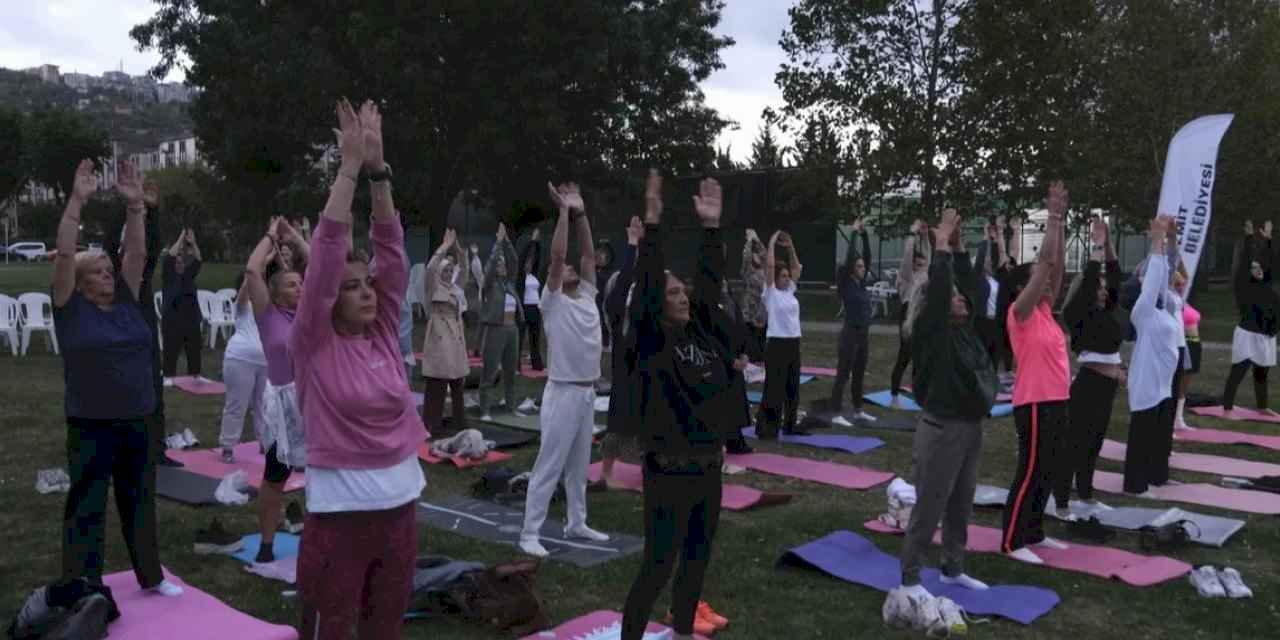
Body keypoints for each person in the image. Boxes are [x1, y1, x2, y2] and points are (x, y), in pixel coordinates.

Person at [294, 99, 425, 639]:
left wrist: (379, 172)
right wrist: (348, 168)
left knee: (385, 628)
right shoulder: (313, 341)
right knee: (335, 626)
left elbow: (392, 254)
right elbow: (325, 253)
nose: (367, 292)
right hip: (340, 514)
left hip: (400, 508)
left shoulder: (382, 334)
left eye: (367, 283)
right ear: (327, 299)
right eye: (351, 287)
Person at [52, 158, 181, 597]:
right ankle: (82, 582)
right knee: (87, 504)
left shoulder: (127, 301)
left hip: (137, 419)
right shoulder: (70, 309)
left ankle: (152, 576)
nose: (108, 276)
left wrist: (134, 207)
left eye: (110, 271)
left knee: (138, 500)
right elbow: (66, 252)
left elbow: (138, 253)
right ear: (82, 281)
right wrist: (77, 201)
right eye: (99, 273)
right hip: (90, 423)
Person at [620, 171, 736, 640]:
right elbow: (648, 285)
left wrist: (711, 230)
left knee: (696, 561)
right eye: (672, 293)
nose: (681, 295)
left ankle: (684, 633)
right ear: (656, 304)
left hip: (707, 468)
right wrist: (652, 224)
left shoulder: (702, 333)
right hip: (668, 471)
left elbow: (708, 286)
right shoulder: (652, 342)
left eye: (681, 290)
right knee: (659, 564)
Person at [884, 209, 997, 628]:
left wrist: (961, 246)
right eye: (952, 297)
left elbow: (967, 285)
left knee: (961, 502)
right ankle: (910, 576)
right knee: (929, 505)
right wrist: (942, 248)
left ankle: (953, 566)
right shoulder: (933, 332)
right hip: (941, 427)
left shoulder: (964, 328)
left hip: (969, 427)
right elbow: (943, 287)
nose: (960, 300)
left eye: (961, 299)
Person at [519, 181, 609, 557]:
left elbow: (587, 255)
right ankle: (529, 533)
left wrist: (581, 213)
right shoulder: (551, 300)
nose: (572, 267)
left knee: (579, 465)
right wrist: (561, 214)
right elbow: (558, 257)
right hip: (562, 391)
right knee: (550, 463)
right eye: (566, 268)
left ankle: (576, 521)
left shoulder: (587, 294)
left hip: (587, 391)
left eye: (575, 268)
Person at [1000, 181, 1070, 565]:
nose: (1046, 286)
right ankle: (1012, 541)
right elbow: (1046, 268)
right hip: (1033, 403)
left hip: (1057, 399)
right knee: (1029, 471)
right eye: (1037, 282)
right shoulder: (1020, 313)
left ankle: (1035, 531)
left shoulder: (1045, 312)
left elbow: (1052, 269)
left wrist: (1058, 220)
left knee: (1048, 468)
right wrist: (1052, 218)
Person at [242, 217, 309, 562]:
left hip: (316, 402)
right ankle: (267, 545)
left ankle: (320, 541)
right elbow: (253, 271)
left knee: (322, 477)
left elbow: (320, 266)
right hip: (285, 406)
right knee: (275, 477)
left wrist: (295, 238)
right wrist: (270, 235)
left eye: (302, 283)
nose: (300, 288)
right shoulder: (268, 315)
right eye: (292, 285)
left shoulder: (310, 315)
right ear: (277, 291)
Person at [1054, 216, 1124, 514]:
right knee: (1074, 445)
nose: (1104, 290)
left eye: (1105, 288)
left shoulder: (1105, 310)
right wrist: (1095, 246)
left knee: (1094, 443)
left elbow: (1115, 274)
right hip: (1088, 386)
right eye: (1099, 287)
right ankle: (1060, 502)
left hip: (1107, 388)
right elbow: (1093, 275)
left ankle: (1085, 494)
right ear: (1087, 289)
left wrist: (1108, 244)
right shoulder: (1079, 312)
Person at [1123, 216, 1182, 496]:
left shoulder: (1163, 308)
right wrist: (1156, 242)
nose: (1157, 284)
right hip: (1147, 382)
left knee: (1159, 436)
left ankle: (1158, 476)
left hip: (1163, 383)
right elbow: (1156, 276)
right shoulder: (1143, 312)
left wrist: (1171, 238)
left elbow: (1165, 273)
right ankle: (1135, 484)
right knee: (1142, 435)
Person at [600, 216, 649, 487]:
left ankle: (646, 469)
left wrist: (641, 245)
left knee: (647, 420)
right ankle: (607, 470)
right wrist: (631, 244)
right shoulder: (616, 310)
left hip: (644, 365)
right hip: (623, 367)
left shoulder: (641, 306)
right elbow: (625, 282)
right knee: (618, 420)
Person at [1222, 220, 1278, 418]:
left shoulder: (1268, 286)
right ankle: (1227, 407)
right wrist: (1248, 238)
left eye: (1259, 268)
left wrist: (1268, 240)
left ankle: (1262, 407)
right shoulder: (1244, 288)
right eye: (1254, 268)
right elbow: (1246, 262)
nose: (1258, 269)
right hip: (1248, 333)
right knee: (1239, 370)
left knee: (1262, 373)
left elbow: (1269, 261)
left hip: (1266, 335)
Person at [420, 228, 470, 437]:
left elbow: (465, 269)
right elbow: (431, 267)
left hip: (456, 337)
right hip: (439, 338)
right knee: (437, 382)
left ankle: (459, 422)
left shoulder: (456, 290)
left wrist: (457, 248)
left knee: (458, 382)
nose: (448, 274)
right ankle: (432, 424)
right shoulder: (432, 288)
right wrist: (444, 246)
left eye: (450, 271)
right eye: (445, 271)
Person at [757, 229, 807, 438]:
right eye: (783, 276)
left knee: (792, 387)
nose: (787, 278)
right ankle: (768, 428)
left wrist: (791, 246)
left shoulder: (790, 292)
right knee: (774, 389)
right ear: (775, 279)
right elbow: (769, 267)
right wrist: (771, 243)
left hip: (793, 343)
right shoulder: (770, 293)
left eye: (788, 276)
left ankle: (789, 425)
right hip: (776, 344)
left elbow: (796, 267)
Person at [217, 270, 268, 464]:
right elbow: (244, 294)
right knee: (237, 404)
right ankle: (228, 446)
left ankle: (265, 442)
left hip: (266, 362)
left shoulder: (270, 307)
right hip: (239, 359)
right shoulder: (243, 305)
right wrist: (253, 273)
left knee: (264, 405)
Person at [830, 218, 877, 426]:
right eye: (858, 266)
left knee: (859, 372)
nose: (862, 268)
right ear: (851, 269)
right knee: (843, 373)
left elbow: (867, 256)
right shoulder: (846, 284)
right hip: (849, 333)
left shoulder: (860, 284)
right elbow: (852, 258)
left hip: (863, 334)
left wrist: (865, 235)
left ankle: (858, 410)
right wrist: (854, 234)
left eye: (863, 266)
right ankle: (836, 412)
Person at [478, 223, 527, 421]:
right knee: (489, 372)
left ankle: (511, 407)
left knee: (510, 372)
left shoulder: (510, 284)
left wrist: (506, 240)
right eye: (499, 264)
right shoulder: (490, 285)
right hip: (495, 330)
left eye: (503, 264)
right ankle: (485, 411)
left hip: (512, 330)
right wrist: (497, 244)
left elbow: (515, 260)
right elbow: (489, 268)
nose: (502, 266)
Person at [889, 221, 932, 408]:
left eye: (923, 264)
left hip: (922, 315)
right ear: (913, 265)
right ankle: (894, 395)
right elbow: (908, 256)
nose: (922, 266)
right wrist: (912, 235)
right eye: (919, 264)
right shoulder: (907, 277)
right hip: (907, 314)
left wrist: (924, 236)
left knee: (921, 357)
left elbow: (928, 257)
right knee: (905, 355)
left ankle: (919, 395)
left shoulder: (924, 275)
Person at [160, 228, 206, 385]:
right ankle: (168, 375)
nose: (179, 264)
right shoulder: (168, 276)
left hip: (191, 318)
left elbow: (198, 259)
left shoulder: (187, 275)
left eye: (181, 262)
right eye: (177, 263)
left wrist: (193, 243)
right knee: (170, 348)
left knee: (194, 348)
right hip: (172, 319)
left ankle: (196, 375)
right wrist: (180, 238)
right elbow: (170, 257)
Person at [1175, 268, 1201, 430]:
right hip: (1183, 343)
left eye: (1182, 284)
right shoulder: (1171, 302)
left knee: (1185, 385)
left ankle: (1179, 418)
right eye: (1176, 284)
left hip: (1195, 343)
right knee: (1177, 384)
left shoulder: (1185, 301)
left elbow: (1186, 276)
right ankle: (1173, 419)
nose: (1180, 286)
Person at [517, 229, 545, 372]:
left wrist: (537, 244)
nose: (529, 264)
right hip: (524, 308)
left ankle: (537, 364)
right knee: (520, 338)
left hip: (535, 308)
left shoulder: (534, 275)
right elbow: (523, 257)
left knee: (535, 338)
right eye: (527, 263)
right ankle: (516, 364)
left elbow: (537, 258)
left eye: (530, 263)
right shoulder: (520, 278)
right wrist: (532, 242)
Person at [739, 229, 768, 363]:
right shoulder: (747, 270)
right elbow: (746, 255)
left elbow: (765, 254)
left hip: (761, 307)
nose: (757, 256)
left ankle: (760, 360)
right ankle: (749, 360)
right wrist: (749, 241)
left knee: (761, 334)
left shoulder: (765, 268)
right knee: (749, 335)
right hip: (749, 307)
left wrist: (757, 239)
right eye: (754, 255)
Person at [463, 243, 485, 358]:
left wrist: (473, 255)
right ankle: (472, 349)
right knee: (470, 329)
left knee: (473, 329)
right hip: (470, 305)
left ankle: (475, 349)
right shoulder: (467, 277)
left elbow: (477, 268)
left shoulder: (478, 279)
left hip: (474, 305)